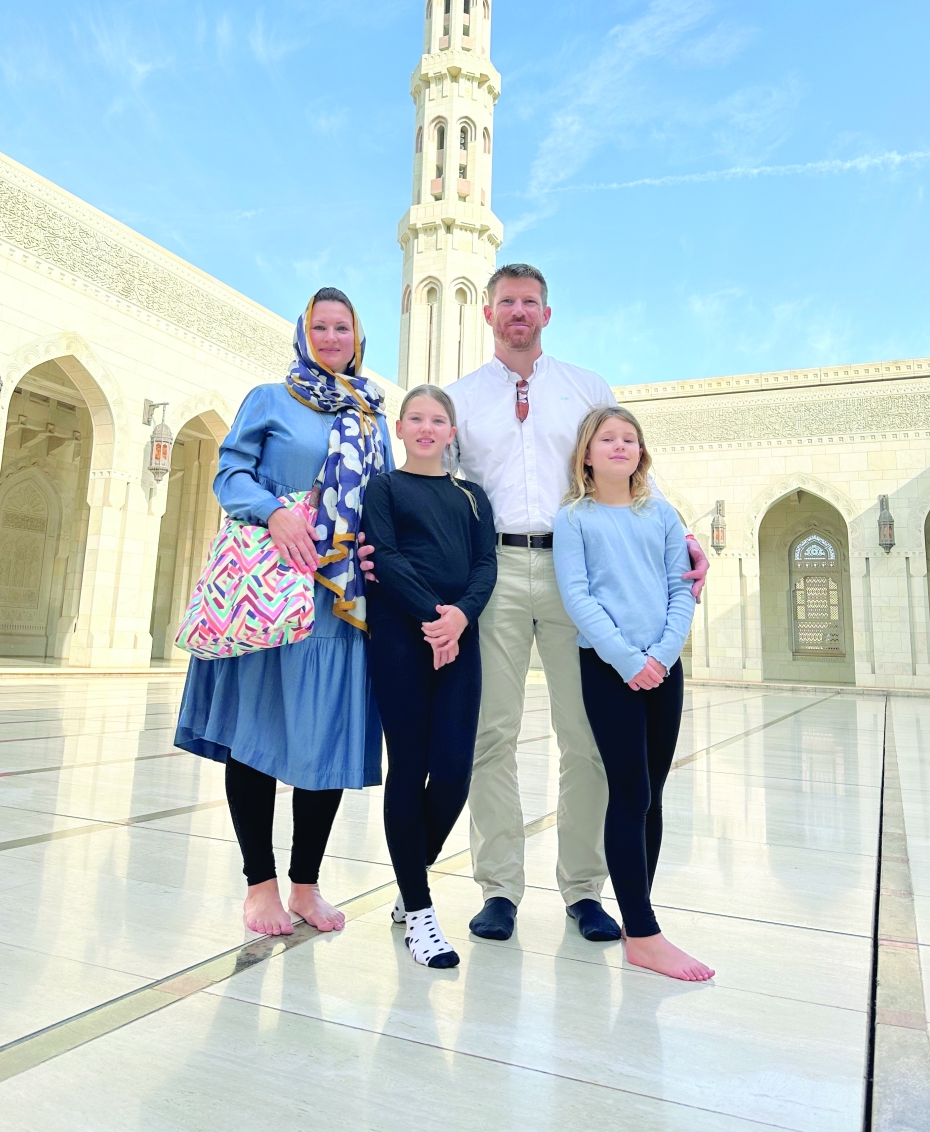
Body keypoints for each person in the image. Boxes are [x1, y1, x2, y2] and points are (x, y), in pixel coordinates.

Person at [432, 262, 708, 943]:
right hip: (494, 569)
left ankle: (584, 889)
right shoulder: (461, 398)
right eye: (506, 302)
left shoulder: (586, 387)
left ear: (546, 314)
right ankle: (499, 888)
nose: (518, 312)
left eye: (529, 302)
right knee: (492, 733)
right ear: (488, 313)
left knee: (585, 738)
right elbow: (439, 487)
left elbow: (626, 467)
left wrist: (682, 537)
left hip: (576, 572)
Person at [175, 288, 392, 937]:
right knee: (259, 732)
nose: (331, 338)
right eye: (319, 327)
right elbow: (230, 475)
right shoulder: (270, 399)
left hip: (339, 598)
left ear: (358, 338)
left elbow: (382, 499)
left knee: (324, 736)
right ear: (303, 335)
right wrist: (275, 512)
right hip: (272, 587)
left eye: (341, 327)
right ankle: (260, 885)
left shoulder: (371, 416)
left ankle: (305, 885)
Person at [554, 406, 712, 980]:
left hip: (663, 669)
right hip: (607, 668)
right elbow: (578, 597)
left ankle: (636, 919)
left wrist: (662, 656)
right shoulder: (574, 519)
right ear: (587, 454)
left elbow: (681, 586)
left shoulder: (662, 515)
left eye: (630, 439)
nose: (620, 446)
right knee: (629, 791)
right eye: (607, 439)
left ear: (641, 453)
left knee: (654, 795)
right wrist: (627, 659)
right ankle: (644, 935)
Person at [362, 386, 496, 969]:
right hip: (400, 638)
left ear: (451, 432)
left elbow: (486, 563)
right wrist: (433, 620)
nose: (426, 427)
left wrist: (459, 618)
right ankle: (418, 912)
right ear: (399, 428)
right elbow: (386, 558)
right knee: (408, 767)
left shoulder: (471, 497)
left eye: (437, 420)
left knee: (454, 773)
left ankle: (408, 874)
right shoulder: (385, 488)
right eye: (415, 418)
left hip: (460, 639)